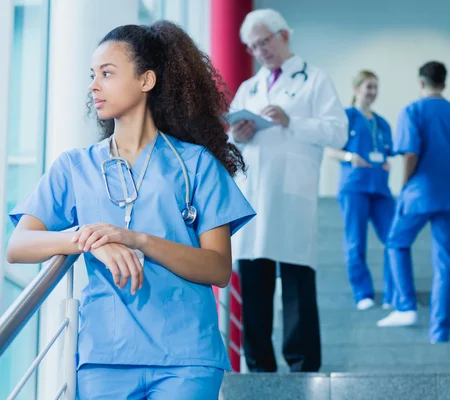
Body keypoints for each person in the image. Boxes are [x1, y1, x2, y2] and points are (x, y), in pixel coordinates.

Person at [5, 21, 255, 399]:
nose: (93, 86)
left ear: (146, 81)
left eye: (107, 74)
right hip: (105, 355)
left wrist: (136, 238)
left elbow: (218, 268)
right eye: (92, 75)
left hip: (187, 358)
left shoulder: (197, 165)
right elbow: (18, 245)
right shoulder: (75, 167)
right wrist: (87, 240)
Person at [228, 9, 348, 373]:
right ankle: (259, 369)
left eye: (264, 41)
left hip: (292, 197)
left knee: (297, 286)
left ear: (284, 35)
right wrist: (237, 136)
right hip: (254, 197)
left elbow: (337, 132)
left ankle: (303, 368)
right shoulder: (249, 88)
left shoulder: (315, 79)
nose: (259, 51)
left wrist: (290, 120)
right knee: (254, 288)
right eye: (252, 47)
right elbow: (228, 139)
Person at [377, 61, 450, 345]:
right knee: (446, 264)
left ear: (421, 83)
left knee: (396, 243)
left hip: (418, 193)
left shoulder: (413, 111)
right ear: (444, 84)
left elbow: (409, 154)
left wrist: (405, 185)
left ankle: (406, 306)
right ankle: (440, 332)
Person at [326, 70, 396, 311]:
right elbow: (330, 149)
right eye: (368, 86)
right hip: (354, 188)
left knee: (394, 239)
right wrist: (348, 156)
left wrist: (387, 162)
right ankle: (363, 293)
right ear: (356, 89)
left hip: (380, 189)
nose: (373, 92)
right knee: (356, 242)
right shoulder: (346, 118)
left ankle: (392, 294)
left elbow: (388, 151)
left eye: (375, 87)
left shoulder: (382, 123)